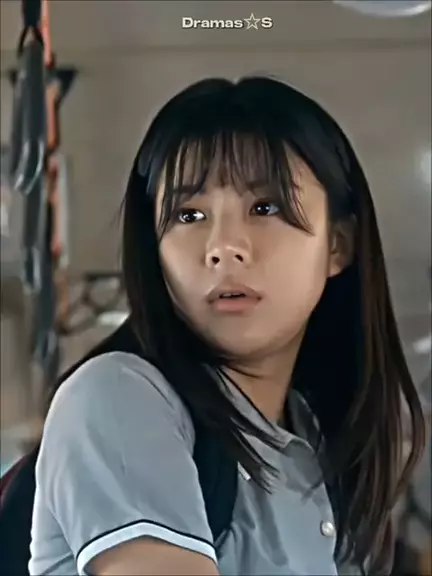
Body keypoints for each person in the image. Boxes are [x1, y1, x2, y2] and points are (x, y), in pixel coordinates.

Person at [28, 76, 425, 576]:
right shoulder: (117, 397)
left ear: (337, 245)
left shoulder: (313, 439)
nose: (223, 247)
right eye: (188, 214)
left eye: (265, 207)